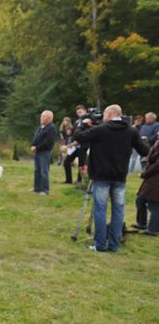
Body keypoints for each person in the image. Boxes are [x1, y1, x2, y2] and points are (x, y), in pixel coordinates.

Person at [73, 104, 150, 252]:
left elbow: (79, 137)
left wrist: (83, 125)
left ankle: (100, 244)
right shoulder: (131, 131)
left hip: (101, 175)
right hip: (120, 176)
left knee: (100, 210)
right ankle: (114, 244)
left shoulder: (101, 130)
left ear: (108, 115)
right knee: (118, 210)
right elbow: (145, 150)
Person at [133, 139, 159, 236]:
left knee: (155, 205)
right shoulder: (157, 143)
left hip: (155, 180)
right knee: (140, 200)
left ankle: (153, 229)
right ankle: (142, 223)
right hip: (151, 179)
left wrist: (144, 174)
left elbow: (157, 166)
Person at [31, 110, 57, 195]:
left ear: (49, 118)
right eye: (41, 116)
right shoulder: (41, 127)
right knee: (37, 170)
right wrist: (33, 145)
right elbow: (36, 137)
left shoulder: (51, 128)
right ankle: (37, 188)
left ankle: (45, 190)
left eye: (43, 116)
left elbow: (48, 142)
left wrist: (37, 147)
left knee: (44, 171)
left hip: (44, 152)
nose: (41, 117)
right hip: (37, 151)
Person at [63, 105, 92, 184]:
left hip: (83, 146)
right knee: (67, 161)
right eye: (77, 112)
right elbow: (73, 133)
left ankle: (80, 180)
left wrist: (75, 143)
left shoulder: (88, 121)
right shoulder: (77, 122)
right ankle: (68, 180)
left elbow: (86, 134)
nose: (79, 113)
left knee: (81, 164)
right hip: (75, 147)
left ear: (85, 111)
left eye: (80, 112)